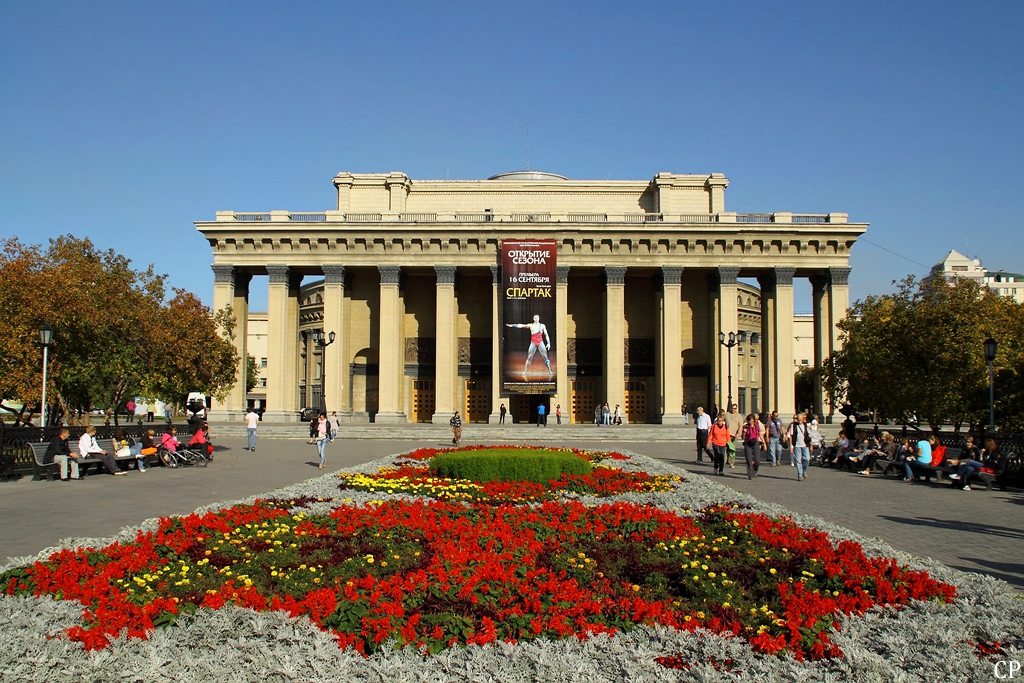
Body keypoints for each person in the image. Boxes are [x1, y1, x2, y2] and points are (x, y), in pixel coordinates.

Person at [505, 314, 554, 378]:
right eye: (535, 318)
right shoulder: (531, 325)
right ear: (533, 319)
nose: (536, 319)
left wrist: (548, 343)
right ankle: (525, 372)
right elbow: (522, 326)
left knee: (545, 357)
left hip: (540, 342)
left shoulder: (542, 326)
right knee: (529, 357)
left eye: (537, 318)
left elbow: (546, 334)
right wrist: (512, 325)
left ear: (539, 318)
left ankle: (550, 371)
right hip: (533, 342)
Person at [788, 413, 812, 481]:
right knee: (798, 461)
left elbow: (809, 435)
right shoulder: (793, 425)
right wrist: (791, 446)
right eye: (798, 419)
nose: (799, 421)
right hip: (797, 445)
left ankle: (804, 471)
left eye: (801, 419)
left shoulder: (806, 425)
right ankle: (800, 475)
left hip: (805, 445)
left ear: (803, 419)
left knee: (807, 459)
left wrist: (811, 445)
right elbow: (791, 436)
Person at [741, 413, 763, 480]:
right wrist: (744, 433)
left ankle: (755, 470)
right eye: (749, 420)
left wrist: (764, 443)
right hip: (748, 443)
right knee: (749, 459)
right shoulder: (745, 426)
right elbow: (743, 437)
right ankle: (750, 474)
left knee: (757, 460)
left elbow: (760, 434)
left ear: (753, 420)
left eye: (751, 420)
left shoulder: (756, 426)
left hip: (755, 443)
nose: (750, 421)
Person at [724, 404, 743, 470]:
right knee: (726, 448)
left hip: (734, 435)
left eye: (734, 408)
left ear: (736, 409)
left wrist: (738, 433)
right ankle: (725, 461)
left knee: (732, 449)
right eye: (732, 408)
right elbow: (720, 420)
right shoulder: (727, 414)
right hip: (726, 434)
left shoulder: (739, 416)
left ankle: (731, 462)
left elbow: (741, 426)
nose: (733, 409)